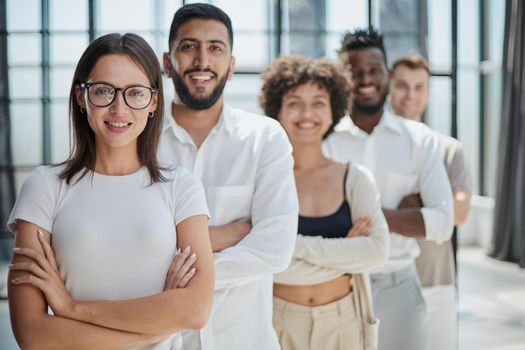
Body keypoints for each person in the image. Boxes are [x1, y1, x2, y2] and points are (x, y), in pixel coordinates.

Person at [7, 33, 214, 350]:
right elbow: (33, 335)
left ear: (153, 101)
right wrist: (159, 324)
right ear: (81, 96)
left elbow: (196, 310)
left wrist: (71, 308)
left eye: (135, 93)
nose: (119, 108)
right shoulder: (43, 187)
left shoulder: (181, 187)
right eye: (103, 91)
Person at [159, 4, 298, 350]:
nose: (202, 60)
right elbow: (125, 244)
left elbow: (275, 249)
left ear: (231, 65)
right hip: (161, 340)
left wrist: (173, 270)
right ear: (167, 62)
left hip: (244, 341)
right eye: (188, 46)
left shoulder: (264, 138)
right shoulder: (137, 139)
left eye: (216, 48)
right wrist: (224, 235)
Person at [323, 28, 454, 350]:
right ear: (342, 76)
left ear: (388, 73)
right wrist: (404, 216)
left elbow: (442, 223)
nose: (366, 79)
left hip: (399, 283)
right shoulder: (324, 141)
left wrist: (361, 216)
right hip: (335, 284)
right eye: (356, 71)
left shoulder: (419, 139)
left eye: (374, 70)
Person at [259, 55, 389, 350]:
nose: (307, 113)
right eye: (294, 102)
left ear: (333, 112)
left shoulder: (354, 178)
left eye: (318, 102)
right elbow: (259, 265)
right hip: (277, 322)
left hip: (343, 321)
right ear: (278, 111)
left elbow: (376, 252)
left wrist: (287, 246)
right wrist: (346, 259)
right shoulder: (263, 182)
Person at [389, 54, 472, 350]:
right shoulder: (371, 145)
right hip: (383, 277)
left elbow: (460, 213)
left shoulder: (449, 150)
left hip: (436, 280)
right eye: (402, 85)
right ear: (388, 87)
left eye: (419, 87)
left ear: (428, 92)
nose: (410, 95)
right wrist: (433, 205)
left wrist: (416, 201)